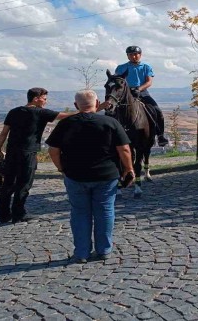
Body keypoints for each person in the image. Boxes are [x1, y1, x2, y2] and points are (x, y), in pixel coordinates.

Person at [46, 89, 134, 264]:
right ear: (97, 102)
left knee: (79, 213)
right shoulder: (110, 122)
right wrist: (129, 169)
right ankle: (103, 250)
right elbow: (124, 149)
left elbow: (53, 150)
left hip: (75, 175)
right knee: (105, 211)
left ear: (76, 105)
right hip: (106, 175)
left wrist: (61, 168)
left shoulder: (65, 124)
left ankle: (82, 252)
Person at [0, 87, 75, 224]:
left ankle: (3, 214)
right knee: (24, 183)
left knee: (8, 183)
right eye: (44, 99)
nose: (45, 102)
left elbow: (3, 133)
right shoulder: (40, 113)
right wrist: (89, 110)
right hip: (28, 152)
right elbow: (65, 116)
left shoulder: (13, 112)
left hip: (12, 152)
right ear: (36, 99)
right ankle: (18, 213)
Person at [115, 45, 170, 147]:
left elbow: (149, 82)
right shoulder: (121, 68)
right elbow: (117, 82)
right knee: (111, 111)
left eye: (136, 54)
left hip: (142, 92)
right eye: (131, 54)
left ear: (140, 55)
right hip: (124, 94)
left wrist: (138, 89)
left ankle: (160, 136)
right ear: (127, 56)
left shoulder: (146, 67)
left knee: (157, 111)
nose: (133, 56)